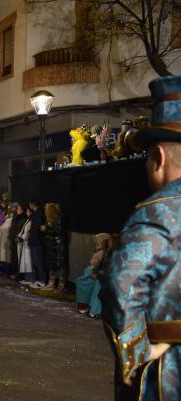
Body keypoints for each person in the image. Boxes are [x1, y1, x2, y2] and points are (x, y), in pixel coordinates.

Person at [101, 75, 181, 401]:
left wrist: (136, 354)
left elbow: (123, 284)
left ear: (158, 158)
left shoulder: (157, 213)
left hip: (169, 373)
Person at [76, 233, 113, 319]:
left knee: (98, 285)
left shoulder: (110, 253)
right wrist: (95, 272)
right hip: (98, 273)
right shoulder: (102, 252)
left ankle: (94, 310)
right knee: (82, 280)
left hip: (107, 276)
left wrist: (98, 273)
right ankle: (85, 305)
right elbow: (98, 265)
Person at [41, 203, 67, 291]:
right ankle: (51, 284)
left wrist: (46, 229)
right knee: (51, 265)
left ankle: (61, 285)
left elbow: (58, 231)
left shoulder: (59, 218)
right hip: (50, 247)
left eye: (47, 209)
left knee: (60, 265)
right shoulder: (48, 219)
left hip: (57, 246)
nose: (45, 211)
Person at [27, 199, 47, 288]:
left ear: (32, 204)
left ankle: (42, 280)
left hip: (37, 242)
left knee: (38, 262)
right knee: (35, 262)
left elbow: (37, 229)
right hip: (34, 241)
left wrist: (32, 239)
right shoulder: (36, 214)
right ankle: (38, 280)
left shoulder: (39, 214)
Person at [0, 202, 18, 276]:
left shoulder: (14, 218)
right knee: (4, 256)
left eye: (11, 208)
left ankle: (8, 271)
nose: (9, 209)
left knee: (7, 256)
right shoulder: (7, 216)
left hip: (8, 240)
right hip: (3, 240)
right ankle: (4, 270)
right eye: (9, 208)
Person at [8, 204, 27, 280]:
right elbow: (12, 227)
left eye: (18, 208)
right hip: (13, 239)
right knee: (14, 258)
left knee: (19, 258)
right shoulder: (16, 216)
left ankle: (20, 275)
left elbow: (21, 228)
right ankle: (16, 272)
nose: (16, 209)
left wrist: (17, 236)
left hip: (19, 239)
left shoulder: (24, 218)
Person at [16, 207, 33, 284]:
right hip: (24, 243)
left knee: (28, 262)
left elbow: (27, 234)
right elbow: (23, 231)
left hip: (27, 243)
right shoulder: (28, 220)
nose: (26, 213)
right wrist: (19, 236)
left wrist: (21, 237)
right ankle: (26, 278)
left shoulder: (31, 222)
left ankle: (30, 278)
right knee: (24, 261)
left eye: (27, 211)